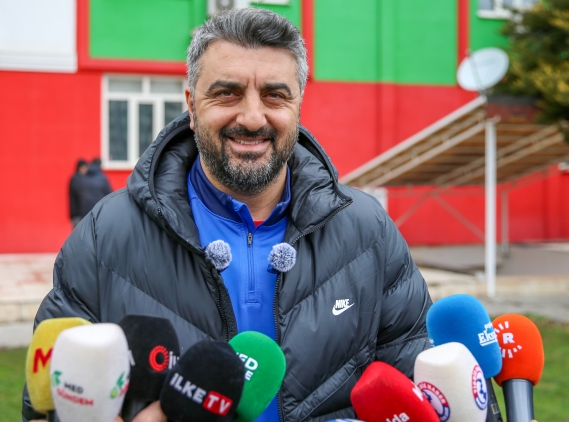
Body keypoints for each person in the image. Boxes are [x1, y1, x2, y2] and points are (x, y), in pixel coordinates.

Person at [24, 8, 431, 421]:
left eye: (275, 95)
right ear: (191, 104)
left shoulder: (368, 230)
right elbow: (48, 403)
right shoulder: (105, 235)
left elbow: (417, 383)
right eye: (227, 93)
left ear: (298, 105)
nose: (252, 118)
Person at [68, 159, 89, 228]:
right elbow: (81, 195)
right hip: (78, 213)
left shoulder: (78, 178)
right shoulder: (77, 179)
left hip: (79, 213)